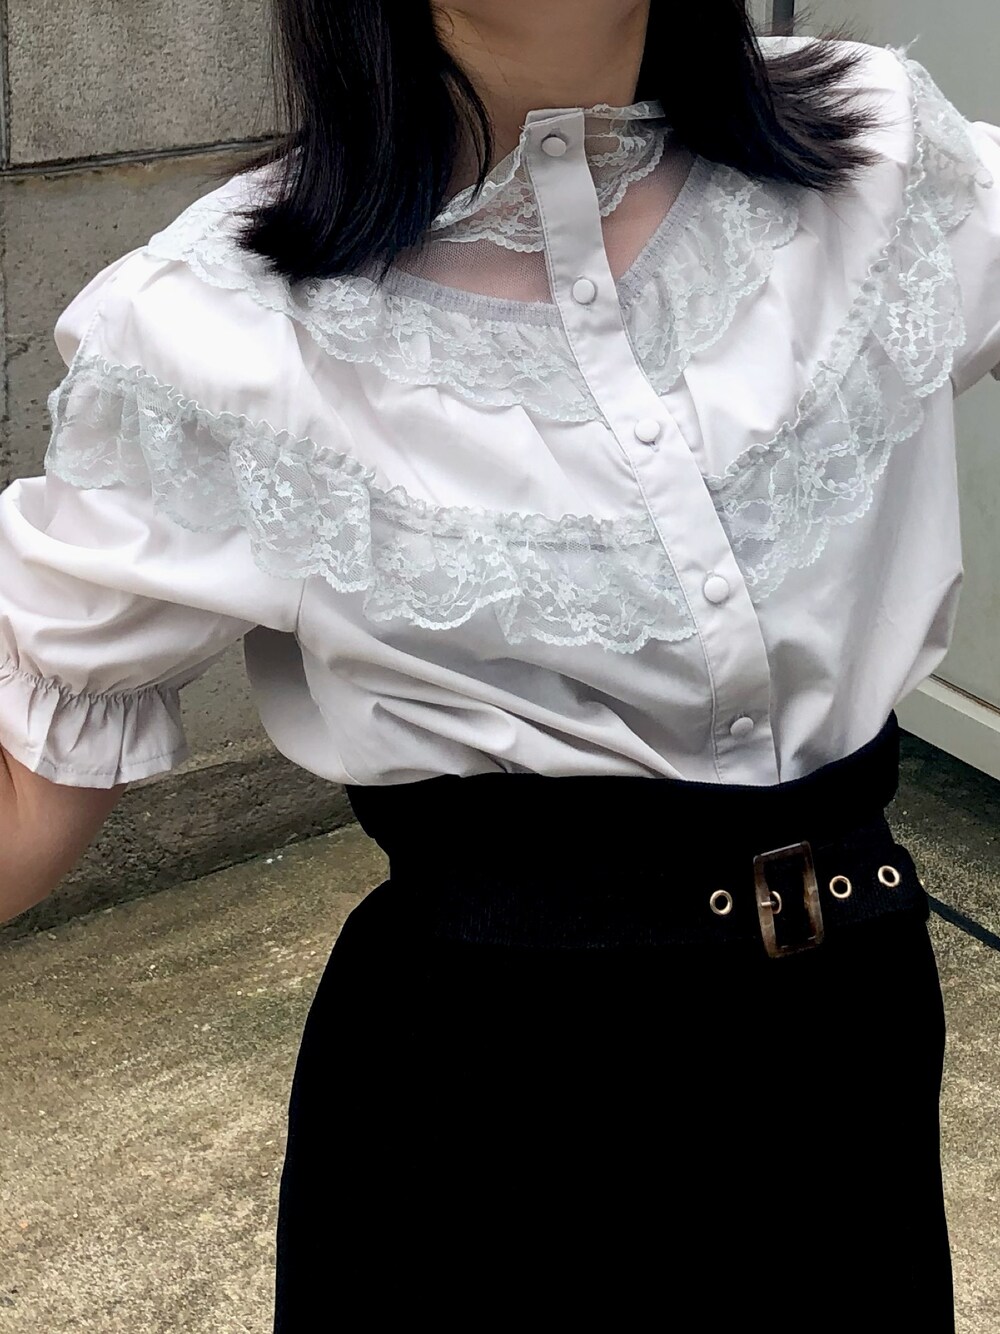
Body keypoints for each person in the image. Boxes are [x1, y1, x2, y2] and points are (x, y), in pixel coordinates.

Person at [1, 0, 998, 1328]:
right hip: (481, 1132)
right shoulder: (211, 328)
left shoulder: (882, 161)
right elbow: (27, 796)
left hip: (850, 1064)